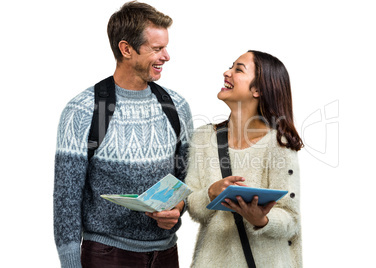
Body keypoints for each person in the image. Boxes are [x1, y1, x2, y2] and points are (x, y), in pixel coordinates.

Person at [53, 1, 193, 267]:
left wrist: (178, 209)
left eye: (165, 47)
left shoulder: (176, 106)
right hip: (106, 256)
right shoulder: (82, 109)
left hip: (166, 254)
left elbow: (187, 178)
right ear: (126, 49)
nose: (167, 56)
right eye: (157, 48)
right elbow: (66, 201)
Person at [186, 50, 303, 267]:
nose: (226, 73)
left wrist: (261, 220)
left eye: (238, 69)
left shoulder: (279, 143)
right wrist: (211, 192)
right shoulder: (203, 137)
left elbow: (291, 218)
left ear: (258, 89)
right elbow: (191, 203)